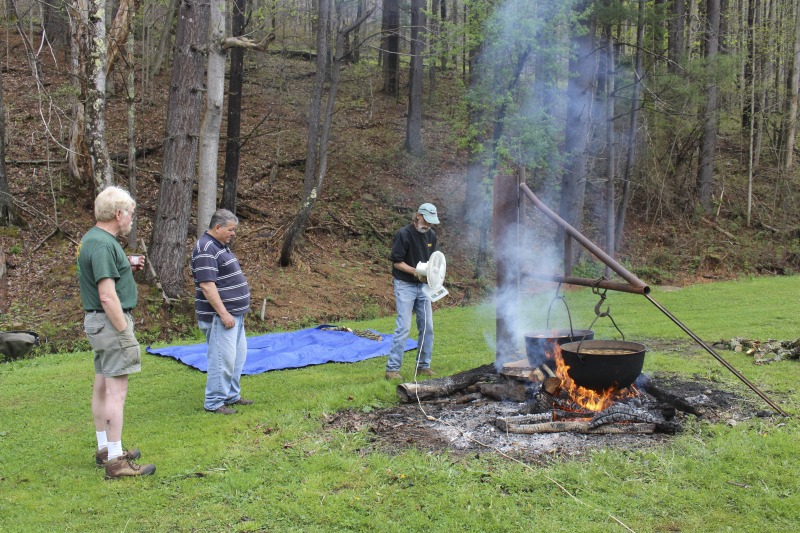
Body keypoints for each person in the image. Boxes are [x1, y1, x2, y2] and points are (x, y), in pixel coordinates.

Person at [77, 186, 155, 479]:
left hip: (99, 323)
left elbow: (105, 276)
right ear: (119, 214)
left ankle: (105, 449)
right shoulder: (102, 245)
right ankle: (115, 461)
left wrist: (126, 265)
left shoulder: (95, 239)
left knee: (102, 386)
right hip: (110, 323)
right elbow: (107, 297)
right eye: (131, 214)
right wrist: (125, 332)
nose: (132, 219)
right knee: (115, 392)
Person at [190, 209, 252, 414]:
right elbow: (207, 286)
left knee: (237, 358)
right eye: (231, 229)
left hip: (235, 315)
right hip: (220, 317)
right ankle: (215, 402)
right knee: (222, 360)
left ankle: (231, 396)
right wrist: (224, 314)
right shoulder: (206, 248)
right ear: (217, 227)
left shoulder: (220, 246)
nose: (233, 233)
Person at [385, 203, 441, 380]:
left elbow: (435, 262)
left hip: (424, 287)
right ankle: (392, 370)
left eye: (432, 222)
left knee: (427, 327)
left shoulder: (431, 235)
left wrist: (434, 279)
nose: (429, 225)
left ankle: (423, 366)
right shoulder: (404, 234)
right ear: (418, 216)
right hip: (405, 285)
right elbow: (397, 262)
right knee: (403, 327)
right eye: (426, 220)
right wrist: (416, 272)